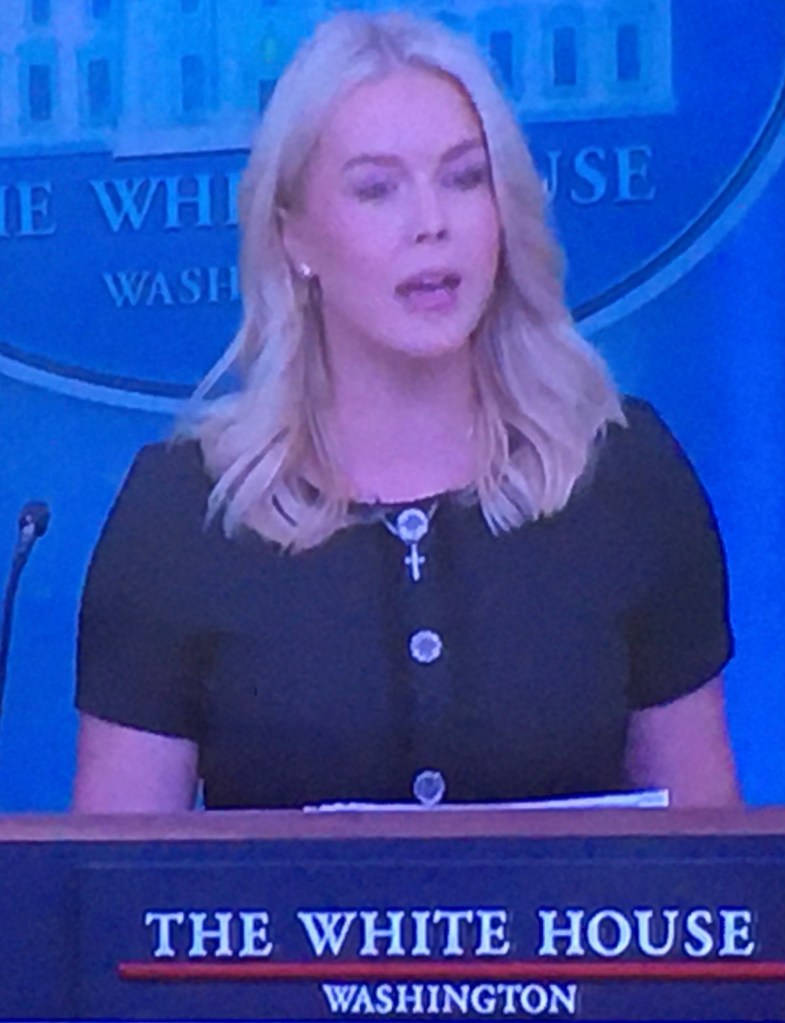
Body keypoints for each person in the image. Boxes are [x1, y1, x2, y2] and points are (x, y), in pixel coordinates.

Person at [72, 10, 740, 813]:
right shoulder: (184, 512)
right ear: (294, 238)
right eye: (376, 189)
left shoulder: (624, 478)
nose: (432, 223)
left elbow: (708, 860)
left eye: (464, 178)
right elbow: (116, 878)